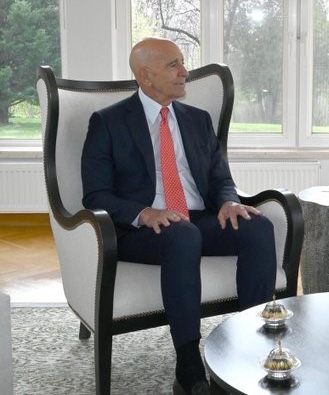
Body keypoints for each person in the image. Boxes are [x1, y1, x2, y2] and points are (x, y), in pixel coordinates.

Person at [81, 37, 276, 395]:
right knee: (183, 234)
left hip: (196, 217)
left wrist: (229, 201)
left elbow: (220, 179)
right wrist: (143, 212)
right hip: (140, 229)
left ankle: (252, 342)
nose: (185, 71)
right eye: (173, 65)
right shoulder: (108, 122)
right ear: (145, 76)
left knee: (257, 226)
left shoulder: (198, 120)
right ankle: (187, 360)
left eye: (182, 62)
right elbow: (95, 194)